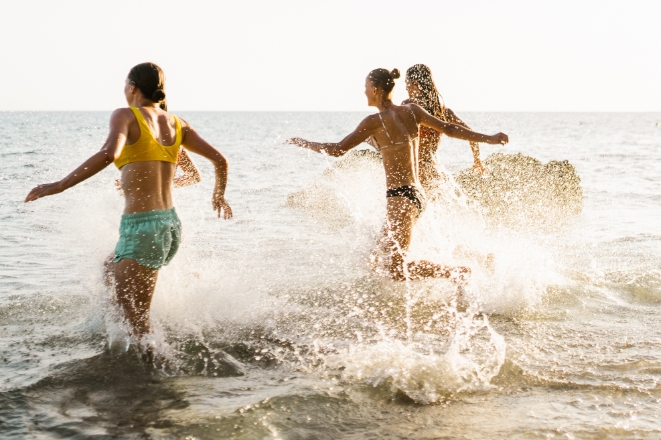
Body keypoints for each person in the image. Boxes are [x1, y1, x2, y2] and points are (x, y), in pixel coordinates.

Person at [25, 62, 232, 357]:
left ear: (132, 87)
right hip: (168, 225)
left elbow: (110, 153)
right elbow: (220, 161)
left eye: (125, 85)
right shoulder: (177, 123)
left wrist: (59, 185)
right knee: (109, 271)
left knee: (137, 322)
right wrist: (218, 195)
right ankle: (114, 350)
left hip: (143, 227)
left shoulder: (125, 115)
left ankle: (156, 378)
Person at [287, 68, 508, 281]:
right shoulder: (412, 111)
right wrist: (490, 138)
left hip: (401, 196)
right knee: (376, 258)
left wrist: (304, 143)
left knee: (396, 269)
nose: (364, 91)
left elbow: (337, 150)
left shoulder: (373, 122)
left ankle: (458, 273)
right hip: (418, 194)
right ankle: (388, 308)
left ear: (376, 89)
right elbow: (449, 128)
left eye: (366, 87)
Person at [403, 64, 484, 193]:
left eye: (406, 82)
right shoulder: (442, 111)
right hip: (435, 169)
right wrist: (477, 161)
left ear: (414, 83)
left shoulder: (408, 106)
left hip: (416, 169)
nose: (406, 87)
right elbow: (470, 134)